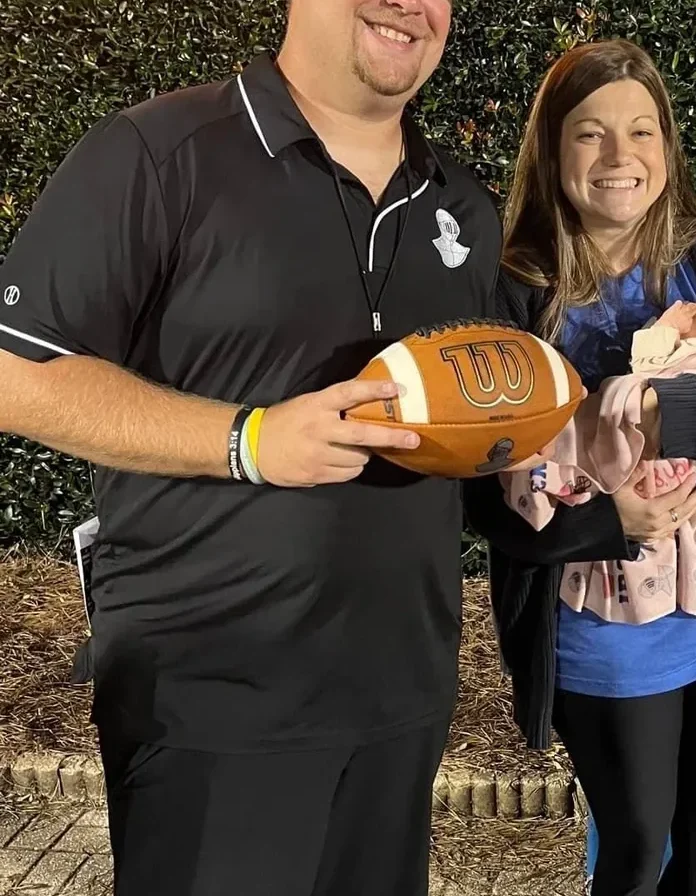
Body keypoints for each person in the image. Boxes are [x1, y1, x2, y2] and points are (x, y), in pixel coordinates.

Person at [0, 1, 500, 894]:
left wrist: (561, 477)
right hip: (211, 706)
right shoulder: (160, 155)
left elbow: (469, 430)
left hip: (401, 700)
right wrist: (248, 438)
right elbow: (16, 373)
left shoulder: (461, 203)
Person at [462, 38, 696, 896]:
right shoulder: (513, 288)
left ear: (668, 147)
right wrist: (605, 523)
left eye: (641, 131)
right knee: (634, 852)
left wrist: (666, 411)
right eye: (590, 134)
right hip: (605, 627)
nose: (620, 157)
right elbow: (477, 483)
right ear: (551, 151)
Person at [501, 287, 696, 634]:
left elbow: (649, 366)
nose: (687, 309)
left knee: (575, 448)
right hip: (669, 474)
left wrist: (665, 328)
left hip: (651, 456)